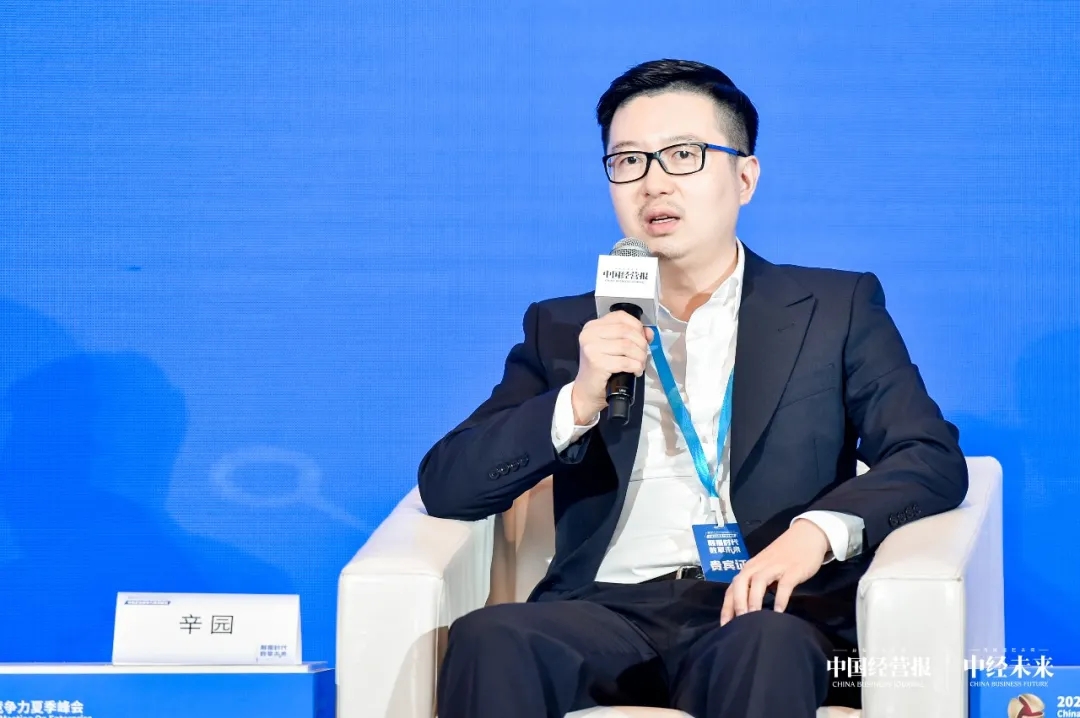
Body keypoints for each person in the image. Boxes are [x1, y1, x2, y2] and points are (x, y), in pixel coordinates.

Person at [418, 59, 967, 718]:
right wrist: (578, 400)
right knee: (491, 639)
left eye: (682, 155)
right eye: (628, 161)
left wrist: (814, 534)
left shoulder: (833, 308)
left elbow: (928, 454)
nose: (653, 183)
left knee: (765, 646)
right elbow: (448, 484)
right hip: (603, 611)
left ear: (745, 177)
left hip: (762, 608)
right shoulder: (566, 328)